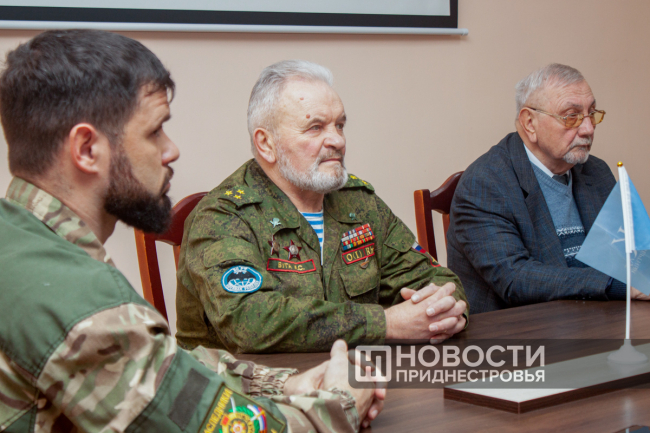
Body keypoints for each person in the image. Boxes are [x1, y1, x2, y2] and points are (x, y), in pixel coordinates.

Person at [0, 30, 384, 432]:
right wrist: (343, 403)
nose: (171, 150)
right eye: (154, 131)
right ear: (86, 149)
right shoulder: (75, 297)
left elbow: (160, 366)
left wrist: (281, 383)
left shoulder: (26, 247)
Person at [175, 60, 468, 354]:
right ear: (266, 144)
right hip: (248, 381)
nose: (337, 140)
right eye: (315, 127)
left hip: (358, 374)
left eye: (339, 125)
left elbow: (437, 280)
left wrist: (444, 313)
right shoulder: (223, 215)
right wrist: (386, 324)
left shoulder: (360, 203)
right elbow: (250, 321)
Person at [446, 63, 650, 314]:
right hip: (520, 330)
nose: (588, 128)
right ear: (530, 123)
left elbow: (630, 254)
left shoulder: (596, 171)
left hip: (595, 320)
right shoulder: (485, 183)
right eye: (571, 116)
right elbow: (515, 279)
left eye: (592, 113)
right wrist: (617, 285)